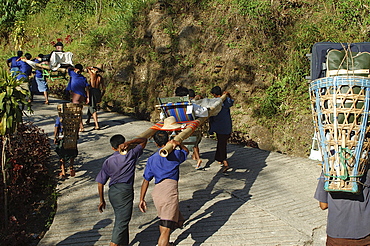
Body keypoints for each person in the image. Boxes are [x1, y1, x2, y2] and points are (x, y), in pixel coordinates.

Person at [139, 130, 189, 246]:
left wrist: (142, 199)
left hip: (157, 192)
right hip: (169, 192)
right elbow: (186, 151)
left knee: (164, 222)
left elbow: (146, 180)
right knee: (166, 231)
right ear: (168, 141)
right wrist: (178, 144)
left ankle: (168, 241)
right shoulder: (175, 155)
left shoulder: (152, 159)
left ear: (156, 144)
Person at [96, 135, 147, 246]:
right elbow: (144, 140)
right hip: (125, 192)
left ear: (113, 148)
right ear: (123, 144)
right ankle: (113, 244)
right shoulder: (131, 155)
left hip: (113, 192)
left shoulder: (108, 161)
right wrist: (131, 142)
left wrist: (101, 200)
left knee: (122, 218)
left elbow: (100, 183)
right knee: (122, 221)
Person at [314, 169, 370, 245]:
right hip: (364, 235)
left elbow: (323, 205)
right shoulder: (366, 169)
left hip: (336, 236)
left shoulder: (328, 169)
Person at [209, 86, 234, 173]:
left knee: (222, 144)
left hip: (220, 126)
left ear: (215, 94)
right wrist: (228, 95)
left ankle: (224, 161)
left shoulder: (215, 102)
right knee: (221, 142)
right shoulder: (226, 100)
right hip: (227, 126)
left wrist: (211, 129)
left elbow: (211, 116)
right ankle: (218, 158)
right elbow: (232, 102)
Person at [66, 64, 90, 131]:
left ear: (75, 69)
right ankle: (80, 125)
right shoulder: (83, 78)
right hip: (82, 95)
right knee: (79, 111)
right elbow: (87, 88)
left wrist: (73, 68)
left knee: (76, 112)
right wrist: (88, 97)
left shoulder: (73, 74)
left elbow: (68, 68)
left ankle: (81, 126)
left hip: (76, 95)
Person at [86, 66, 106, 130]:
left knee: (92, 107)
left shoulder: (92, 75)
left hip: (92, 91)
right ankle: (88, 120)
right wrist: (101, 96)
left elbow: (87, 68)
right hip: (98, 91)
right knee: (91, 106)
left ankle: (96, 124)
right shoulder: (100, 77)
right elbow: (104, 88)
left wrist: (91, 67)